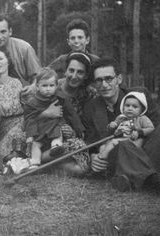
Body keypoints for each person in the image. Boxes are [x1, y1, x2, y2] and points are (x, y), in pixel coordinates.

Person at [82, 57, 160, 192]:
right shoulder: (90, 108)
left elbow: (155, 127)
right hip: (117, 155)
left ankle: (139, 178)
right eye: (99, 80)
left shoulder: (139, 95)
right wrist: (93, 156)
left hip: (144, 148)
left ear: (119, 79)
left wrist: (138, 135)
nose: (104, 85)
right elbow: (91, 141)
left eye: (108, 79)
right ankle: (149, 179)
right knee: (118, 146)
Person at [23, 67, 84, 169]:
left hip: (55, 127)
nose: (48, 89)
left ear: (56, 86)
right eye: (44, 86)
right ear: (37, 86)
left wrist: (79, 128)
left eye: (51, 85)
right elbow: (30, 119)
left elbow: (71, 113)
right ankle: (35, 162)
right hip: (40, 130)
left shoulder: (61, 98)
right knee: (35, 144)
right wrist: (30, 135)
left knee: (58, 134)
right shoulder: (32, 102)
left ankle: (56, 147)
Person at [0, 14, 41, 85]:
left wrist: (33, 87)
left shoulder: (24, 48)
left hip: (22, 89)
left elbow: (38, 75)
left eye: (3, 32)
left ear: (10, 31)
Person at [98, 91, 154, 160]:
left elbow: (151, 128)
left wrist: (139, 132)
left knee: (113, 142)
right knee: (103, 147)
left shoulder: (142, 119)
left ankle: (103, 158)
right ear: (123, 107)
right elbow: (112, 129)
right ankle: (103, 162)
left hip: (133, 141)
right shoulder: (121, 118)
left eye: (135, 107)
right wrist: (112, 126)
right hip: (121, 138)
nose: (130, 108)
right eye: (127, 105)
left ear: (141, 110)